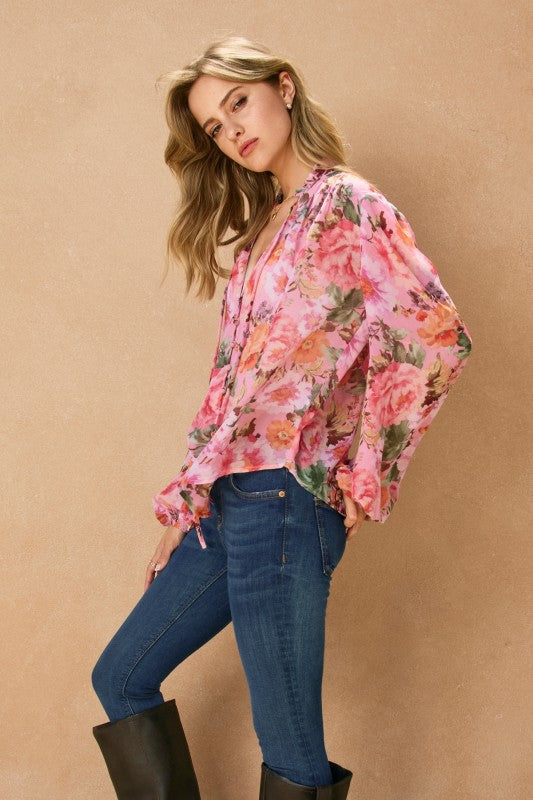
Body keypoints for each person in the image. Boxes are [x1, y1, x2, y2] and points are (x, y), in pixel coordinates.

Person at [91, 35, 473, 800]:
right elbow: (231, 386)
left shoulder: (348, 205)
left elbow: (433, 338)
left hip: (288, 503)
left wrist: (367, 473)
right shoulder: (264, 228)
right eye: (214, 125)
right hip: (228, 501)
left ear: (284, 87)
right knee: (122, 676)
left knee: (288, 744)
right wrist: (190, 496)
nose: (231, 129)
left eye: (238, 102)